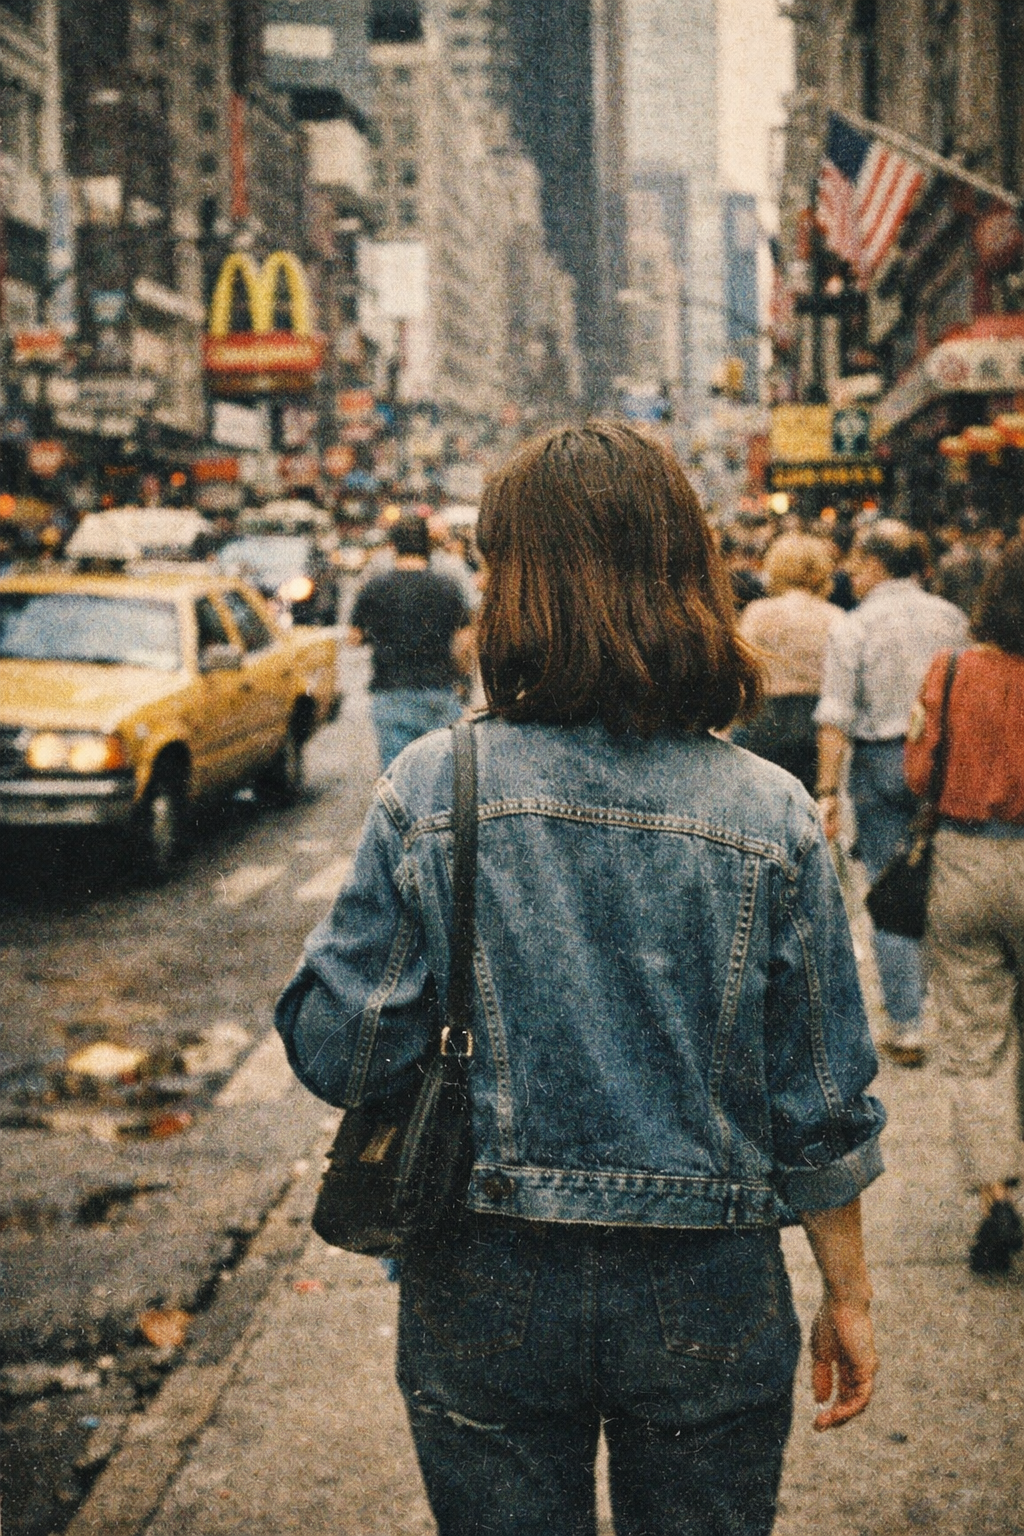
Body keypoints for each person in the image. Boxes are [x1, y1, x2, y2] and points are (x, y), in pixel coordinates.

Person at [277, 422, 883, 1536]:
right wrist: (847, 1292)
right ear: (689, 578)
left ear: (511, 590)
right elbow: (819, 1099)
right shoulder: (772, 812)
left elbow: (341, 1051)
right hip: (710, 1283)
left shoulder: (435, 785)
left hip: (485, 1275)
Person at [906, 540, 1024, 1273]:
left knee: (975, 1041)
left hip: (966, 860)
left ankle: (996, 1197)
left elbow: (919, 771)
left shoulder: (950, 671)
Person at [816, 519, 968, 1068]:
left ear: (877, 565)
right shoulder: (951, 618)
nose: (851, 574)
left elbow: (835, 716)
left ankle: (907, 1024)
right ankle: (948, 1007)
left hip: (879, 761)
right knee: (941, 880)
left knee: (887, 888)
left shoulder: (855, 626)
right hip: (944, 759)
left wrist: (828, 790)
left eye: (857, 564)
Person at [349, 514, 474, 770]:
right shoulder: (447, 587)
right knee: (439, 774)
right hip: (438, 690)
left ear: (393, 546)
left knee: (397, 774)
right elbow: (465, 642)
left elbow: (354, 637)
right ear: (428, 545)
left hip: (390, 691)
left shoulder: (375, 587)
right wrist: (462, 676)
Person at [733, 533, 837, 793]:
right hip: (815, 719)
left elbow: (741, 669)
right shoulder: (834, 616)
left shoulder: (758, 613)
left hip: (765, 716)